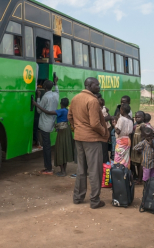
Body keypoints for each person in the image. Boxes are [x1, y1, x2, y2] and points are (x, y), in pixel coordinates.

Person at [68, 77, 109, 209]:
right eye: (97, 85)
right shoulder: (93, 100)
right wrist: (104, 132)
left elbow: (70, 117)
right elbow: (95, 123)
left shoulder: (75, 98)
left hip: (79, 138)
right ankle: (95, 200)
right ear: (90, 85)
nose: (99, 86)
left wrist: (77, 129)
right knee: (94, 171)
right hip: (91, 139)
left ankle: (78, 197)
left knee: (81, 169)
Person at [32, 97, 74, 176]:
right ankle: (64, 170)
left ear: (61, 104)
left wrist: (36, 104)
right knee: (64, 150)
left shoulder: (61, 111)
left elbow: (47, 112)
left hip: (61, 131)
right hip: (67, 130)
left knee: (60, 150)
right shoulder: (67, 110)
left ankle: (63, 172)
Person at [35, 77, 59, 175]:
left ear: (44, 87)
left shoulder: (45, 97)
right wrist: (56, 83)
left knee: (46, 147)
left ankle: (48, 168)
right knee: (47, 145)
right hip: (51, 123)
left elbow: (39, 110)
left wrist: (38, 97)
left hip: (45, 124)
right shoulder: (56, 95)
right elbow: (57, 89)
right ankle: (48, 167)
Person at [114, 103, 133, 169]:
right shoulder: (131, 120)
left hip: (121, 141)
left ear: (122, 110)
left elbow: (118, 131)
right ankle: (125, 172)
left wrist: (114, 126)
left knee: (118, 158)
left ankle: (118, 172)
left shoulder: (121, 119)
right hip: (128, 141)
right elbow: (130, 133)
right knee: (126, 159)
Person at [131, 111, 145, 184]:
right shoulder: (136, 124)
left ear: (143, 118)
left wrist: (140, 147)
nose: (137, 118)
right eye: (136, 117)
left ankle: (140, 179)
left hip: (139, 146)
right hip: (135, 145)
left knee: (140, 163)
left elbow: (143, 137)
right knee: (135, 161)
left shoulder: (142, 125)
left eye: (139, 117)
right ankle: (136, 176)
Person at [98, 97, 111, 164]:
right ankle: (106, 164)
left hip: (103, 131)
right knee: (104, 150)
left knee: (103, 150)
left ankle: (105, 165)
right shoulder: (104, 108)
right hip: (106, 129)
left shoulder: (101, 110)